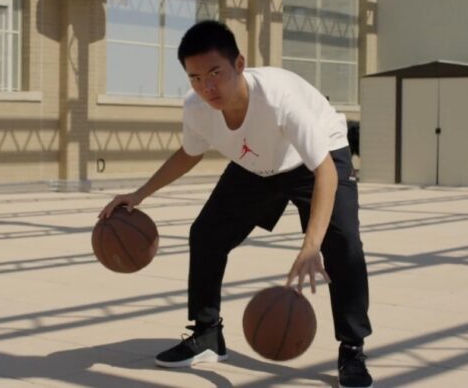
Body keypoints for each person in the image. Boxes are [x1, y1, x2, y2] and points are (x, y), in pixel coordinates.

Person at [98, 20, 373, 388]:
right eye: (195, 78)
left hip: (318, 158)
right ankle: (207, 334)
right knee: (206, 235)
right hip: (257, 162)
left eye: (215, 73)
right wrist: (139, 194)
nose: (207, 87)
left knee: (343, 247)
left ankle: (352, 348)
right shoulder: (197, 108)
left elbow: (324, 172)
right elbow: (189, 152)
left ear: (239, 64)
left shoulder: (278, 99)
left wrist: (311, 246)